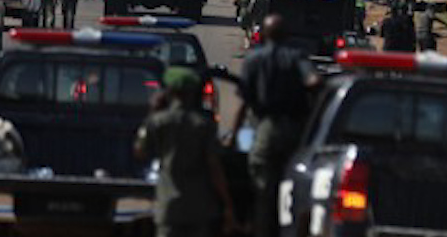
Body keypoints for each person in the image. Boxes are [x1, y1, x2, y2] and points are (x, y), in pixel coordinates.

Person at [232, 14, 319, 237]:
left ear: (264, 34)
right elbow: (313, 80)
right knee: (294, 187)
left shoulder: (254, 59)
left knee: (262, 191)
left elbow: (243, 102)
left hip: (266, 129)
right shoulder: (296, 57)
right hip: (296, 131)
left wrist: (233, 135)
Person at [134, 66, 237, 237]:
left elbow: (140, 151)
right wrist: (227, 203)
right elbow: (214, 166)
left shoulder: (158, 122)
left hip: (169, 206)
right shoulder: (203, 125)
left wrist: (151, 113)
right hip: (197, 208)